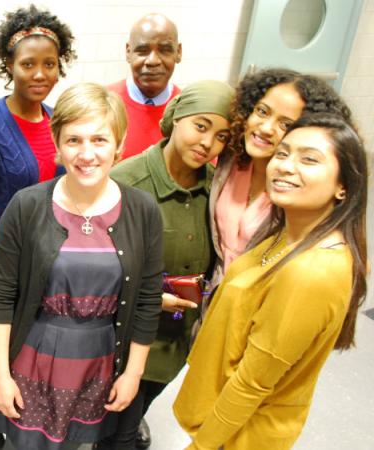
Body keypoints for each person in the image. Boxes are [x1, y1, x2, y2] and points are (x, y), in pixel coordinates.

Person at [0, 82, 164, 450]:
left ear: (120, 143)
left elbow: (147, 299)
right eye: (74, 140)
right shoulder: (26, 205)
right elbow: (0, 295)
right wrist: (0, 375)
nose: (87, 153)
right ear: (57, 142)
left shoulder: (142, 210)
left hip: (100, 360)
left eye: (99, 140)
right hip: (35, 358)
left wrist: (133, 373)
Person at [173, 113, 367, 450]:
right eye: (283, 153)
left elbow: (253, 383)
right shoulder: (287, 233)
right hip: (220, 415)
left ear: (343, 186)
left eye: (309, 159)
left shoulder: (312, 270)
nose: (286, 166)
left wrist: (201, 446)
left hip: (237, 436)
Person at [105, 80, 234, 450]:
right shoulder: (126, 182)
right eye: (201, 125)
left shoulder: (218, 187)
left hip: (179, 336)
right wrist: (149, 297)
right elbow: (93, 263)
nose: (208, 143)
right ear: (175, 116)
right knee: (120, 430)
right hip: (125, 337)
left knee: (138, 404)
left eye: (222, 135)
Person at [0, 6, 76, 447]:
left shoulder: (60, 121)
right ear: (8, 66)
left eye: (49, 64)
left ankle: (25, 420)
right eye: (28, 64)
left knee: (32, 352)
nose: (39, 73)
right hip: (1, 262)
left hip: (50, 258)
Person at [209, 68, 354, 288]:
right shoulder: (230, 161)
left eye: (285, 124)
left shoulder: (302, 192)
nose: (266, 128)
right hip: (216, 296)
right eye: (262, 111)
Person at [107, 13, 182, 160]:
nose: (152, 61)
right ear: (128, 52)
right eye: (142, 50)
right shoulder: (101, 104)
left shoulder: (189, 113)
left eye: (164, 50)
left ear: (178, 52)